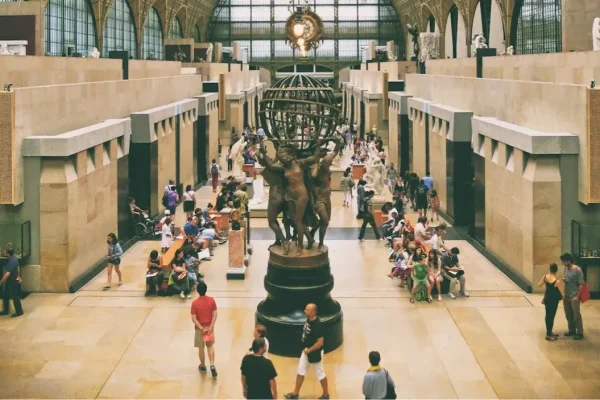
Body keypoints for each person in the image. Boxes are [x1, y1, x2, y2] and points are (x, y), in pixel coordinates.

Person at [285, 304, 329, 400]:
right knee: (300, 371)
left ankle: (326, 395)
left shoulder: (318, 325)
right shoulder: (309, 319)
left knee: (320, 374)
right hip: (306, 351)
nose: (305, 311)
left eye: (307, 310)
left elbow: (320, 342)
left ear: (313, 312)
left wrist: (309, 350)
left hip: (314, 352)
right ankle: (295, 394)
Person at [191, 281, 218, 377]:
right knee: (210, 346)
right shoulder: (211, 300)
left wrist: (201, 328)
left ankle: (203, 366)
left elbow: (194, 319)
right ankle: (212, 365)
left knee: (201, 348)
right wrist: (210, 327)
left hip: (200, 330)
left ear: (198, 291)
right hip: (209, 328)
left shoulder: (195, 303)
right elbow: (214, 314)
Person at [560, 253, 585, 339]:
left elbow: (581, 283)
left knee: (576, 315)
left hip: (574, 295)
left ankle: (580, 332)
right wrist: (565, 280)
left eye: (564, 261)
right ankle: (571, 330)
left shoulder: (577, 270)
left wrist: (577, 296)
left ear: (569, 261)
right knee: (568, 314)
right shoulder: (565, 269)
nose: (563, 263)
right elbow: (566, 278)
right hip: (567, 295)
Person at [537, 263, 563, 341]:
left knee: (548, 315)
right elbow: (562, 292)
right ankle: (548, 334)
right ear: (556, 270)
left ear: (550, 269)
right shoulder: (557, 281)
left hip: (547, 299)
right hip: (554, 300)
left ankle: (549, 331)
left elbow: (539, 285)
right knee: (551, 316)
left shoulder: (545, 277)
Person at [0, 248, 24, 317]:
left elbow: (7, 274)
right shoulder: (13, 259)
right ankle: (6, 310)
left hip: (12, 282)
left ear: (8, 253)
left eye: (5, 252)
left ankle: (19, 311)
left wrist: (1, 282)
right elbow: (18, 269)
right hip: (10, 282)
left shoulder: (12, 261)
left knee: (15, 296)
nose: (4, 253)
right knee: (5, 295)